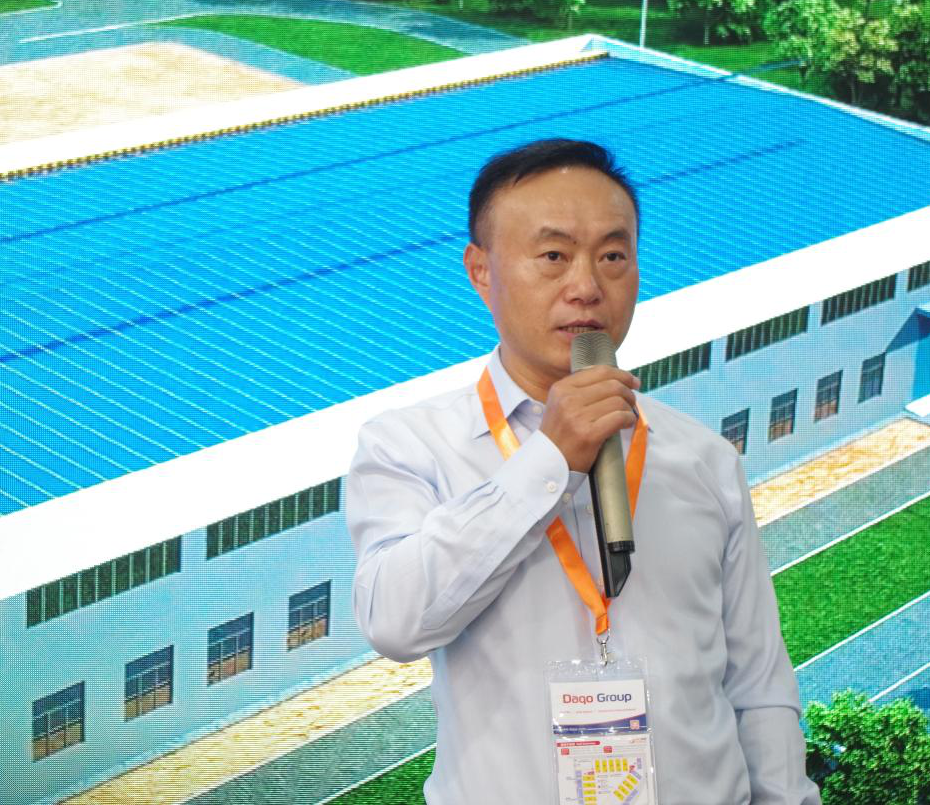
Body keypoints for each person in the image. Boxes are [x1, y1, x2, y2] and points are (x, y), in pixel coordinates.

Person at [345, 138, 821, 804]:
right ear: (481, 271)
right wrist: (549, 460)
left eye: (612, 256)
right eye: (553, 256)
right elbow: (393, 621)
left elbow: (759, 682)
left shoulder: (702, 458)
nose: (586, 288)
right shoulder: (411, 446)